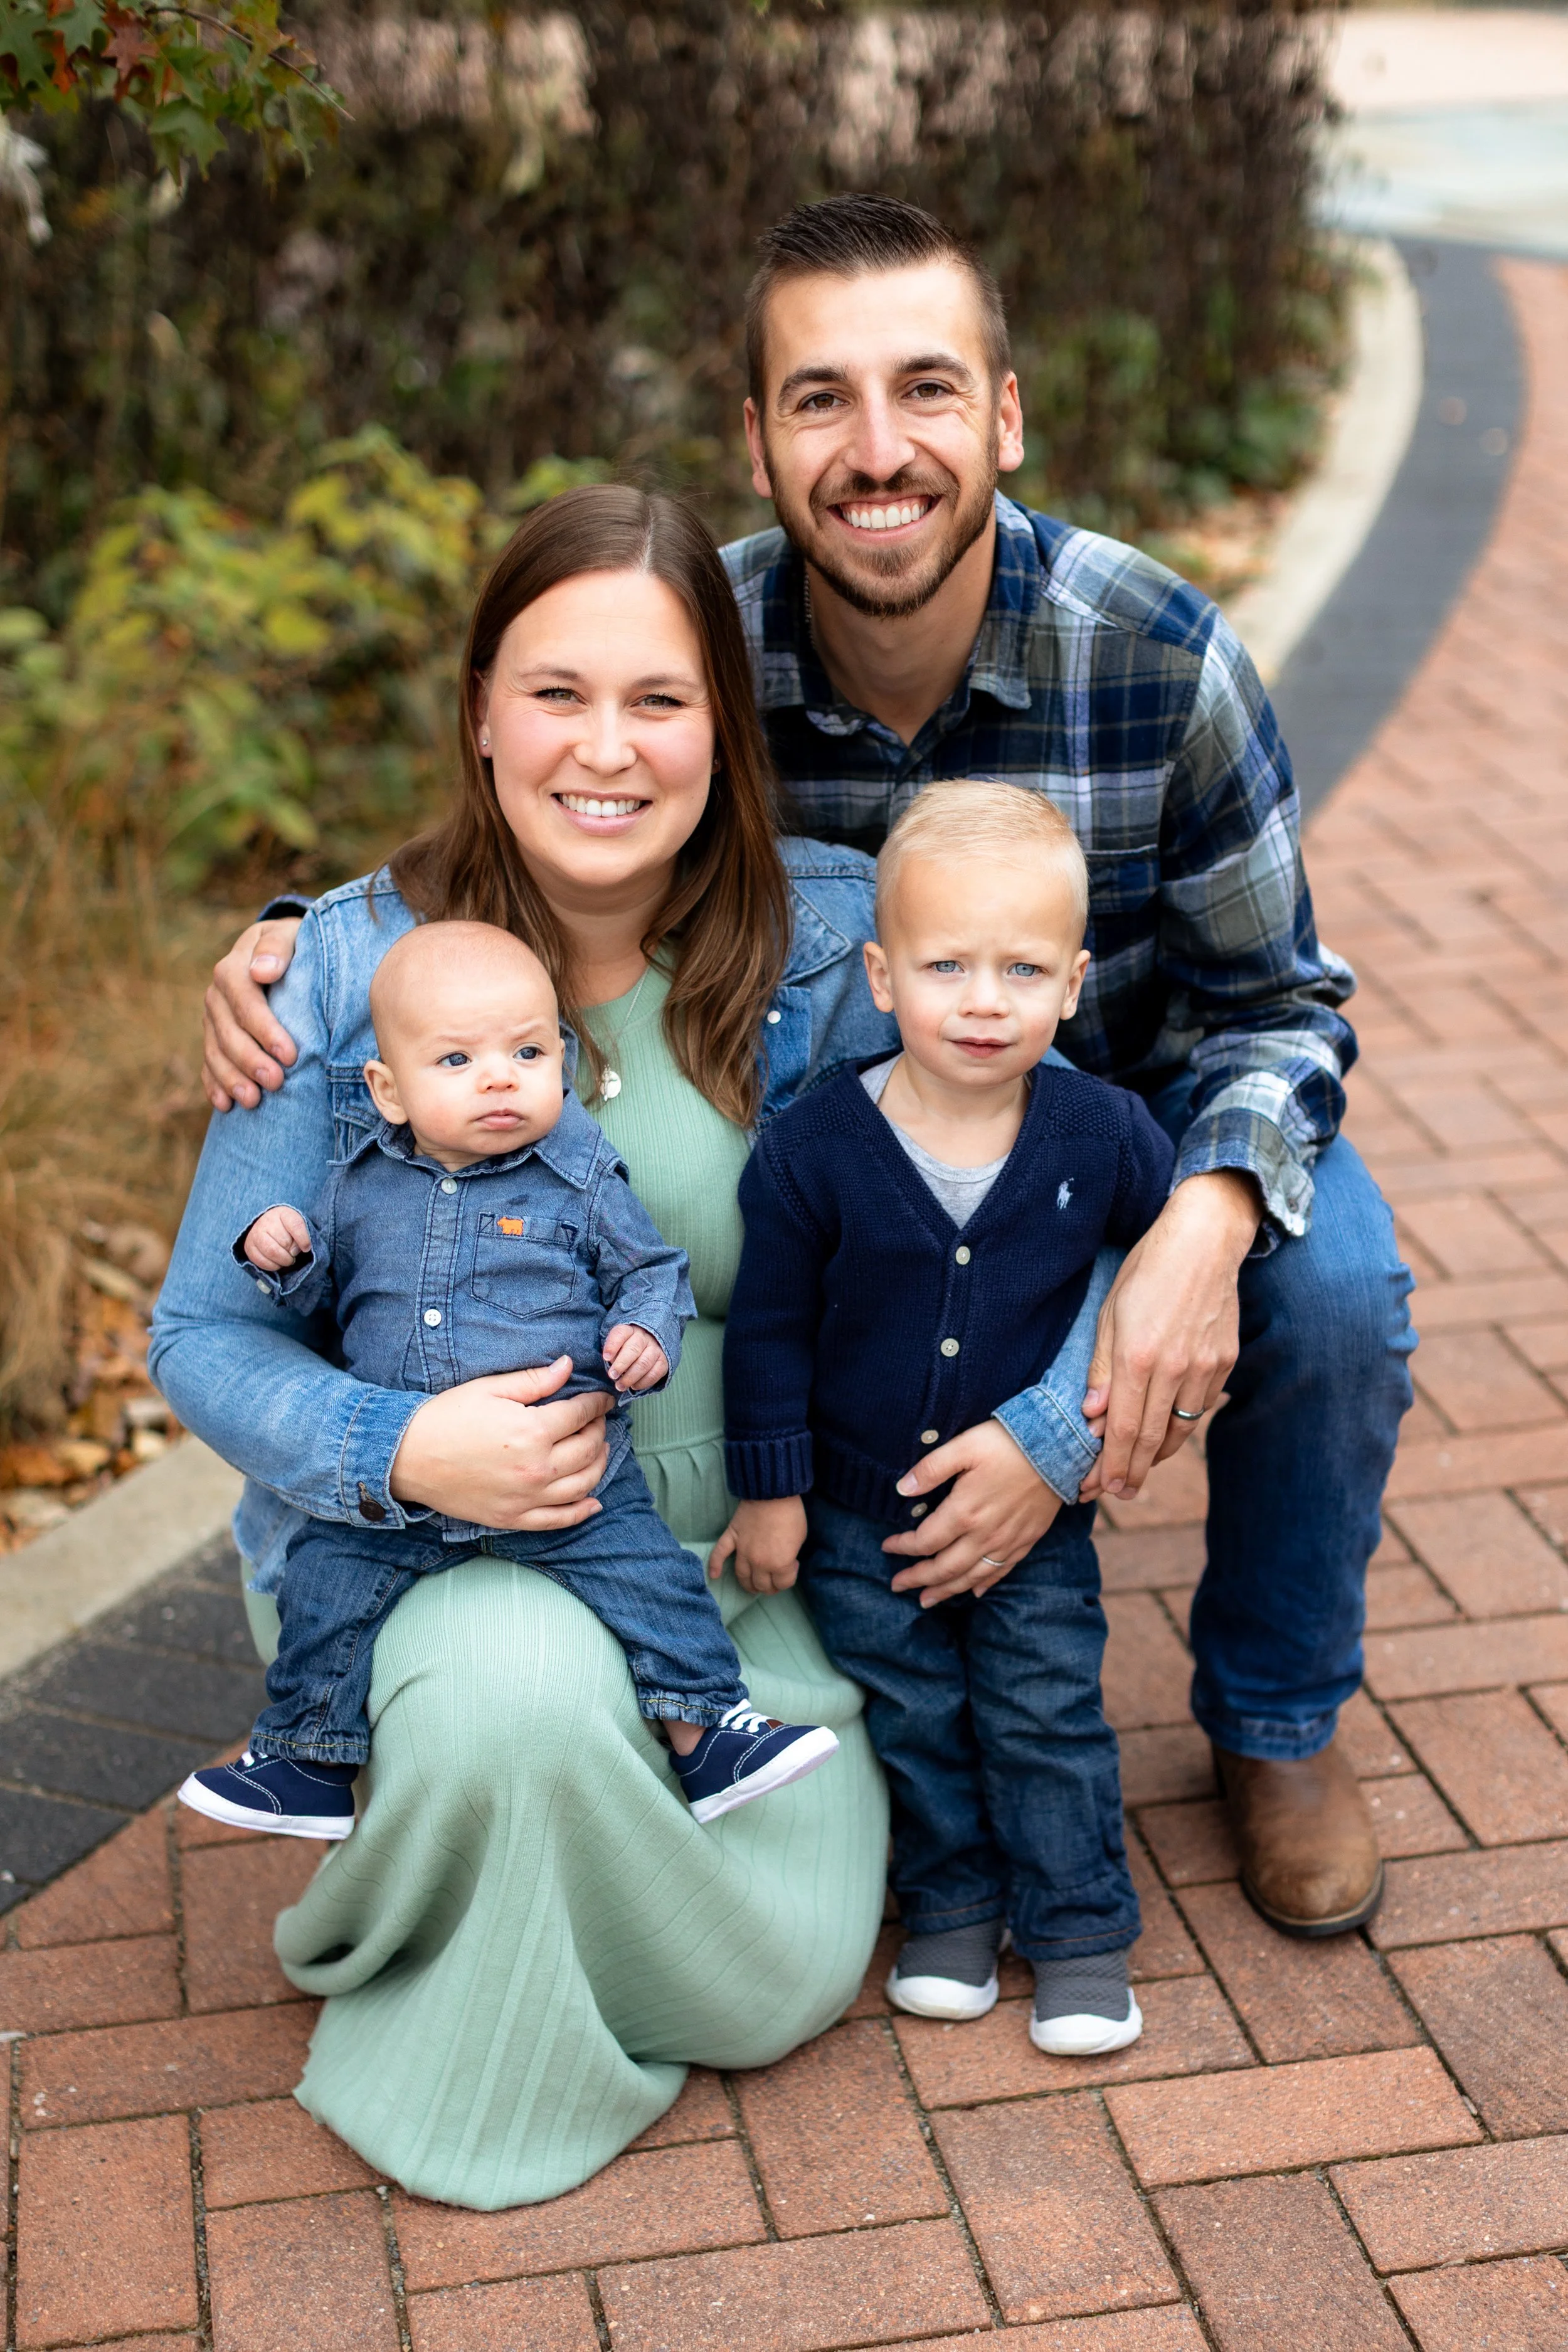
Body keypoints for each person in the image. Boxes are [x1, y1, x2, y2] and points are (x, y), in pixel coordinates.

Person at [199, 193, 1417, 1939]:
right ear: (754, 440)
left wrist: (1206, 1214)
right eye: (818, 398)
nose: (876, 449)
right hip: (880, 1132)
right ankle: (854, 1614)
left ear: (1003, 414)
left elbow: (1282, 1004)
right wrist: (300, 938)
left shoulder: (1156, 655)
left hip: (1131, 1112)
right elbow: (539, 809)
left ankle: (1274, 1716)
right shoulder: (713, 655)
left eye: (924, 389)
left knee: (1342, 1292)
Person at [151, 484, 1101, 2208]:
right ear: (480, 715)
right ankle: (447, 1874)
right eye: (557, 691)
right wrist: (393, 1443)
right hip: (436, 1548)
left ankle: (564, 1857)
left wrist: (1059, 1413)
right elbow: (204, 1329)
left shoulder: (825, 945)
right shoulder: (343, 971)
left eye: (660, 698)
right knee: (513, 1698)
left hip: (750, 1573)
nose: (609, 748)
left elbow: (1046, 1184)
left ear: (721, 730)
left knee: (781, 1967)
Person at [178, 919, 836, 1841]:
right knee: (324, 1588)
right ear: (388, 1090)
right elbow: (316, 1284)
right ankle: (305, 1758)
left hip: (571, 1483)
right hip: (403, 1494)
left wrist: (645, 1328)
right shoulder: (359, 1182)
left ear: (560, 1062)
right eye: (456, 1059)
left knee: (652, 1582)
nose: (498, 1076)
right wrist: (277, 1248)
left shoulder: (579, 1176)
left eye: (526, 1050)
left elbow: (649, 1268)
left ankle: (710, 1730)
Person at [718, 781, 1176, 2054]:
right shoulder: (812, 1148)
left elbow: (1164, 1264)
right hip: (859, 1516)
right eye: (945, 966)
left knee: (1041, 1712)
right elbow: (766, 1330)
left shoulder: (1102, 1133)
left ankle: (1079, 1933)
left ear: (1074, 984)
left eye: (1021, 969)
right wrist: (771, 1492)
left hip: (1034, 1523)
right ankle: (953, 1913)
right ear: (878, 975)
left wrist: (1096, 1425)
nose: (983, 1000)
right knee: (914, 1719)